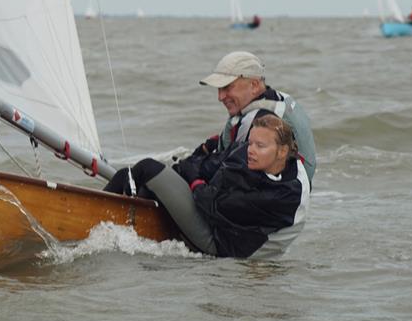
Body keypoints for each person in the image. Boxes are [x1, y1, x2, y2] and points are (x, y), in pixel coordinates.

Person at [104, 115, 310, 258]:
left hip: (223, 245)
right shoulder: (253, 155)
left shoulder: (285, 195)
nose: (251, 150)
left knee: (147, 170)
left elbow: (214, 206)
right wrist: (190, 170)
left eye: (260, 146)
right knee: (129, 177)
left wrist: (194, 181)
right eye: (251, 143)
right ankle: (106, 226)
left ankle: (96, 223)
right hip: (215, 213)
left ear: (283, 152)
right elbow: (208, 165)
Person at [183, 51, 316, 183]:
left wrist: (188, 168)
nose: (220, 97)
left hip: (275, 198)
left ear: (254, 85)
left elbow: (230, 170)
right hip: (294, 194)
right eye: (219, 89)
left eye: (227, 87)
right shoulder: (281, 99)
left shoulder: (260, 122)